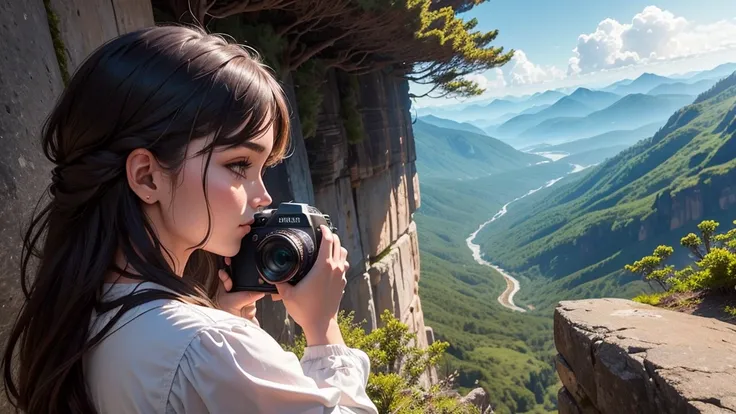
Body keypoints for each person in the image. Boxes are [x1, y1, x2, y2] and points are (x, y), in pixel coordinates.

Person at [1, 25, 379, 414]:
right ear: (147, 176)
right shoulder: (208, 350)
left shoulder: (78, 315)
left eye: (262, 168)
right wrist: (323, 332)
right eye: (238, 165)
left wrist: (224, 317)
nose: (263, 196)